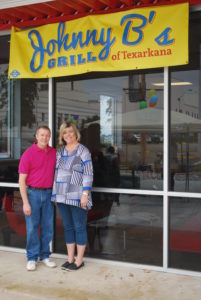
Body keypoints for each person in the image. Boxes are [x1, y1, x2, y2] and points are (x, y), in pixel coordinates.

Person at [52, 122, 93, 271]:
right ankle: (70, 258)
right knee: (68, 227)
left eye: (70, 132)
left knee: (79, 227)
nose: (68, 135)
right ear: (62, 136)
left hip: (77, 195)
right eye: (64, 132)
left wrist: (85, 194)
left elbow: (88, 173)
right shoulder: (60, 151)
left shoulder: (83, 151)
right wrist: (55, 195)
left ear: (76, 133)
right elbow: (57, 174)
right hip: (62, 196)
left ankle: (79, 260)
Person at [19, 125, 57, 271]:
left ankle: (45, 256)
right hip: (33, 194)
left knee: (48, 227)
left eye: (47, 135)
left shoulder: (54, 153)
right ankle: (32, 258)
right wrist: (25, 203)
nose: (44, 138)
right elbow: (22, 181)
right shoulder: (28, 154)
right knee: (32, 227)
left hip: (48, 194)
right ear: (36, 136)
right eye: (42, 135)